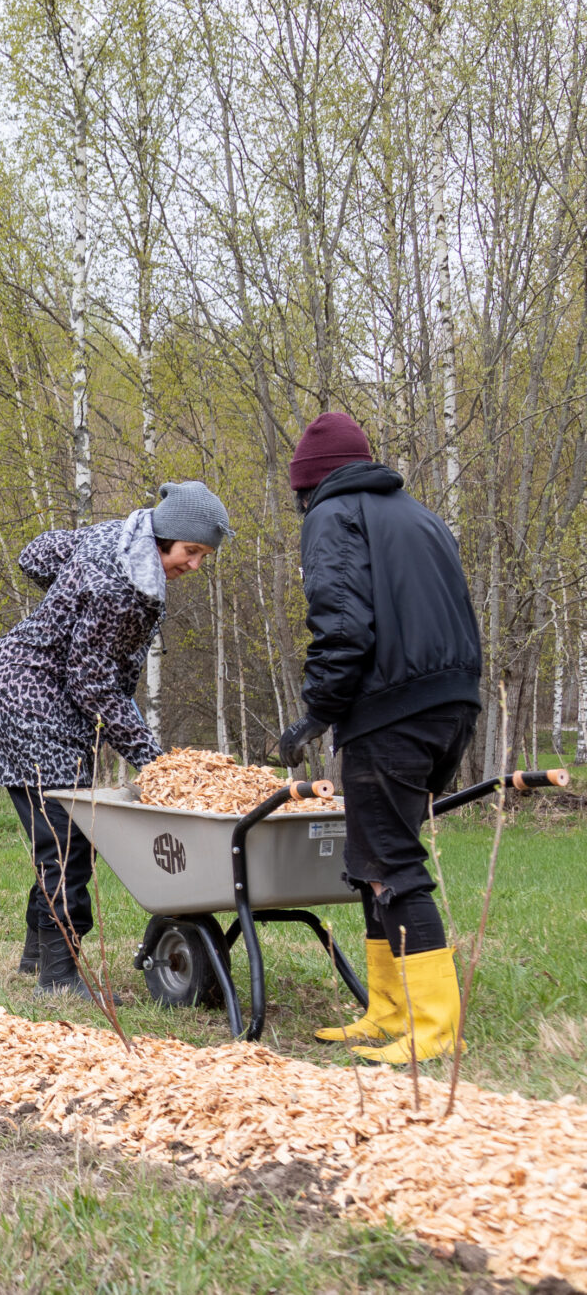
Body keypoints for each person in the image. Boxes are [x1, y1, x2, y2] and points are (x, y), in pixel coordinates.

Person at [0, 481, 230, 997]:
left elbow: (37, 554)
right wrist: (154, 761)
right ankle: (58, 977)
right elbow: (92, 683)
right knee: (69, 838)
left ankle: (37, 956)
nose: (194, 565)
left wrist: (65, 602)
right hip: (34, 698)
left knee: (64, 833)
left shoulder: (117, 535)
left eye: (203, 556)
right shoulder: (120, 586)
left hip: (29, 684)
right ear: (165, 535)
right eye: (191, 551)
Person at [276, 412, 481, 1065]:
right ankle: (387, 1011)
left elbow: (342, 626)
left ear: (310, 484)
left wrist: (316, 712)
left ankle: (435, 1027)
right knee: (370, 859)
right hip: (450, 704)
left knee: (390, 864)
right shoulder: (421, 518)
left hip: (392, 710)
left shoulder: (333, 516)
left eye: (299, 494)